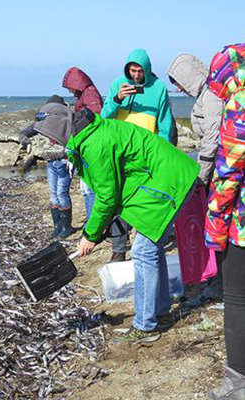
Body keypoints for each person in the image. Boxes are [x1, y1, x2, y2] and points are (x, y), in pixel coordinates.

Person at [33, 102, 199, 343]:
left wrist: (90, 235)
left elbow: (107, 196)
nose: (50, 142)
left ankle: (145, 326)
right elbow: (111, 187)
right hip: (161, 178)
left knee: (143, 251)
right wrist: (99, 229)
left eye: (50, 136)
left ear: (60, 129)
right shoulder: (88, 135)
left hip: (168, 181)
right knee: (151, 249)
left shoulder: (94, 144)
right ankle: (160, 313)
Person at [101, 48, 175, 262]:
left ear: (147, 69)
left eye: (139, 71)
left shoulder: (159, 88)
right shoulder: (118, 85)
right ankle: (118, 249)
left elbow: (165, 123)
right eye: (132, 71)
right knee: (116, 201)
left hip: (145, 155)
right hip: (120, 153)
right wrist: (117, 98)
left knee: (142, 199)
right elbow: (104, 117)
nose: (135, 76)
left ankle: (144, 242)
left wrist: (163, 154)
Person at [203, 43, 245, 400]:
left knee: (237, 297)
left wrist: (214, 226)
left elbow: (230, 172)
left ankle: (238, 383)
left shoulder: (241, 103)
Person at [167, 53, 225, 307]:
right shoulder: (206, 94)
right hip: (219, 168)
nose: (178, 88)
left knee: (220, 227)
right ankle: (218, 284)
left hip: (221, 171)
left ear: (189, 77)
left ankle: (220, 288)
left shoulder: (212, 96)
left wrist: (201, 174)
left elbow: (213, 138)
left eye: (178, 82)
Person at [20, 95, 76, 238]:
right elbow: (29, 130)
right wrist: (23, 138)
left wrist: (61, 155)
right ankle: (57, 226)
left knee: (61, 192)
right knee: (53, 193)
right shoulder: (46, 120)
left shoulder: (68, 122)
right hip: (51, 161)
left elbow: (73, 146)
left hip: (64, 163)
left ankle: (66, 227)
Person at [62, 67, 104, 222]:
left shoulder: (90, 94)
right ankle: (91, 220)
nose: (70, 92)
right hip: (85, 144)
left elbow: (95, 118)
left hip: (90, 146)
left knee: (89, 189)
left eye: (70, 88)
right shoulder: (85, 94)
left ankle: (93, 223)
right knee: (86, 189)